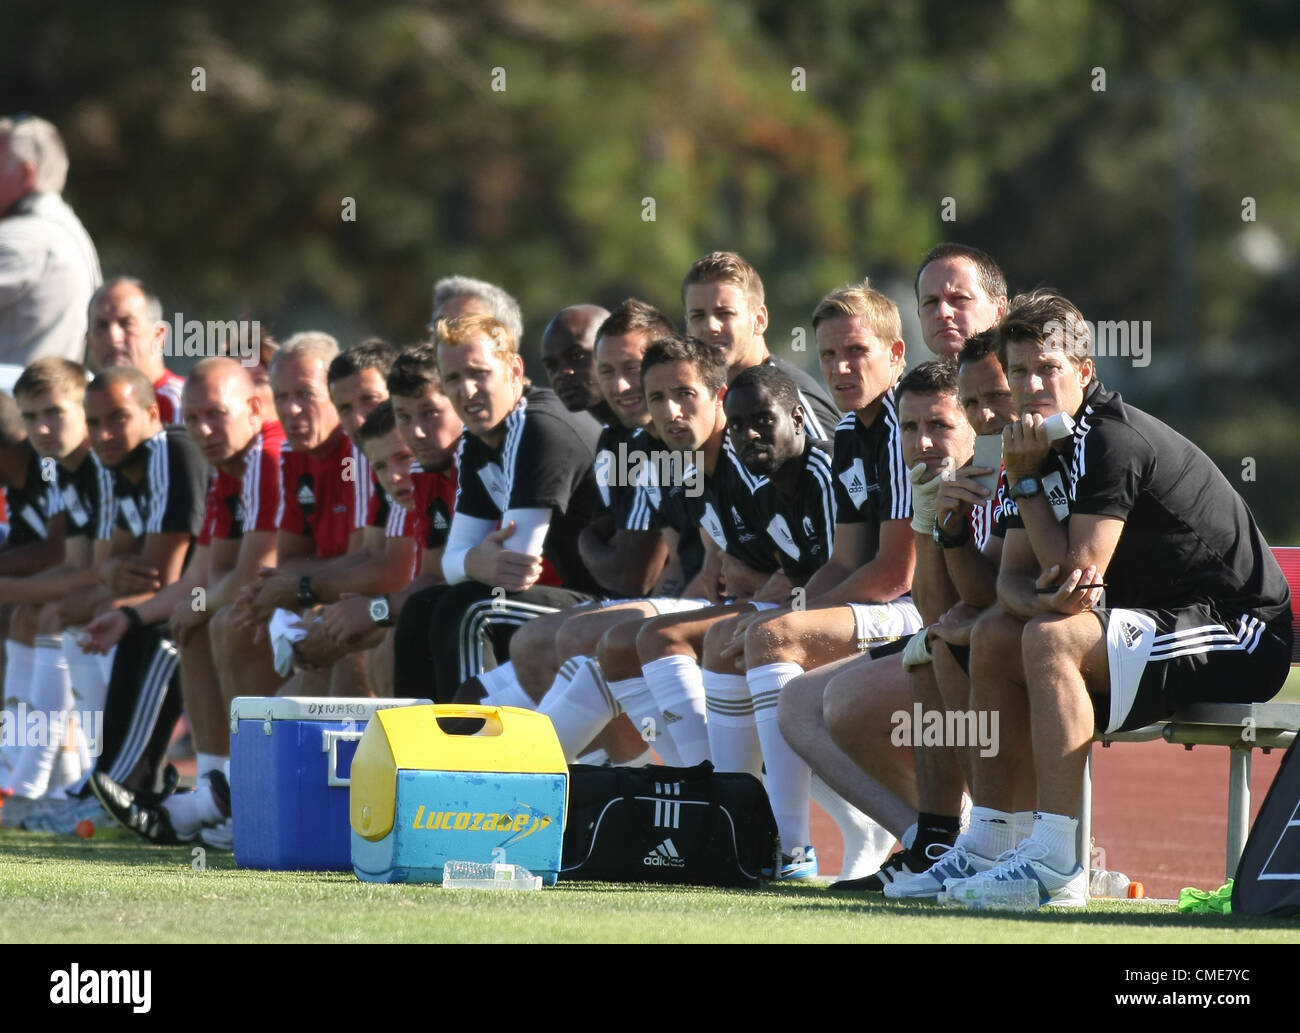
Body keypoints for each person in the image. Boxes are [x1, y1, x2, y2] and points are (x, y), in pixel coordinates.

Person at [942, 289, 1293, 909]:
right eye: (1018, 371)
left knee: (1048, 638)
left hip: (1240, 630)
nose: (1031, 385)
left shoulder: (1110, 439)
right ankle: (994, 844)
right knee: (996, 636)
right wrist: (1042, 595)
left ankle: (1056, 865)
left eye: (1047, 368)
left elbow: (1074, 580)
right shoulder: (1042, 449)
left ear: (1085, 370)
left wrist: (1025, 492)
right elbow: (1012, 587)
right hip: (1149, 627)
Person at [79, 358, 283, 846]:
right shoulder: (227, 471)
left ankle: (227, 798)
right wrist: (130, 616)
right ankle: (213, 797)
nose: (204, 430)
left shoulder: (268, 457)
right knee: (190, 623)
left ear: (253, 409)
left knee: (220, 623)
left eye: (216, 414)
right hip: (272, 601)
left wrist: (196, 603)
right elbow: (198, 579)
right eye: (193, 419)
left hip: (305, 607)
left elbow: (247, 577)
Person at [393, 313, 603, 703]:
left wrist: (472, 561)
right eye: (452, 378)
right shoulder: (478, 439)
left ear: (513, 369)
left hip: (610, 604)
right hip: (567, 600)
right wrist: (474, 561)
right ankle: (416, 753)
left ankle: (474, 754)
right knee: (421, 608)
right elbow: (453, 563)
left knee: (471, 608)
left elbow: (515, 567)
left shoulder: (537, 425)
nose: (466, 390)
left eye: (478, 373)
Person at [683, 251, 838, 439]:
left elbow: (836, 466)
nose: (710, 326)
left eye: (725, 313)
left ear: (759, 319)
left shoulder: (789, 397)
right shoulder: (700, 406)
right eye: (698, 316)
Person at [0, 115, 101, 365]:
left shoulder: (24, 237)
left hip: (18, 399)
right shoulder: (69, 228)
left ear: (26, 174)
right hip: (49, 395)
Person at [83, 278, 185, 424]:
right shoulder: (79, 409)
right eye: (101, 326)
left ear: (159, 335)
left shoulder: (184, 405)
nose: (113, 338)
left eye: (127, 323)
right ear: (89, 340)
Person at [914, 243, 1007, 362]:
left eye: (959, 298)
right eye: (931, 302)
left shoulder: (1031, 379)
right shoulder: (913, 381)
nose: (943, 312)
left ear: (999, 310)